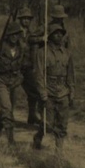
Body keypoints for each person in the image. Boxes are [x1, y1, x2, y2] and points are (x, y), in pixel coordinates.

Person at [33, 22, 75, 150]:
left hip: (63, 91)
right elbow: (39, 74)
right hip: (48, 91)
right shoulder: (42, 52)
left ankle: (59, 151)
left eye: (61, 34)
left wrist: (72, 90)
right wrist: (42, 91)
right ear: (50, 35)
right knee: (48, 124)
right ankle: (38, 137)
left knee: (62, 123)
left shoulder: (66, 53)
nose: (59, 36)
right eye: (55, 33)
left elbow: (70, 73)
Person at [0, 21, 25, 145]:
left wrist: (20, 77)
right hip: (0, 81)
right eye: (12, 34)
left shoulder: (21, 48)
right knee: (7, 108)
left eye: (17, 34)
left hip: (14, 82)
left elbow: (25, 65)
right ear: (8, 35)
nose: (14, 37)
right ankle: (11, 140)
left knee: (7, 109)